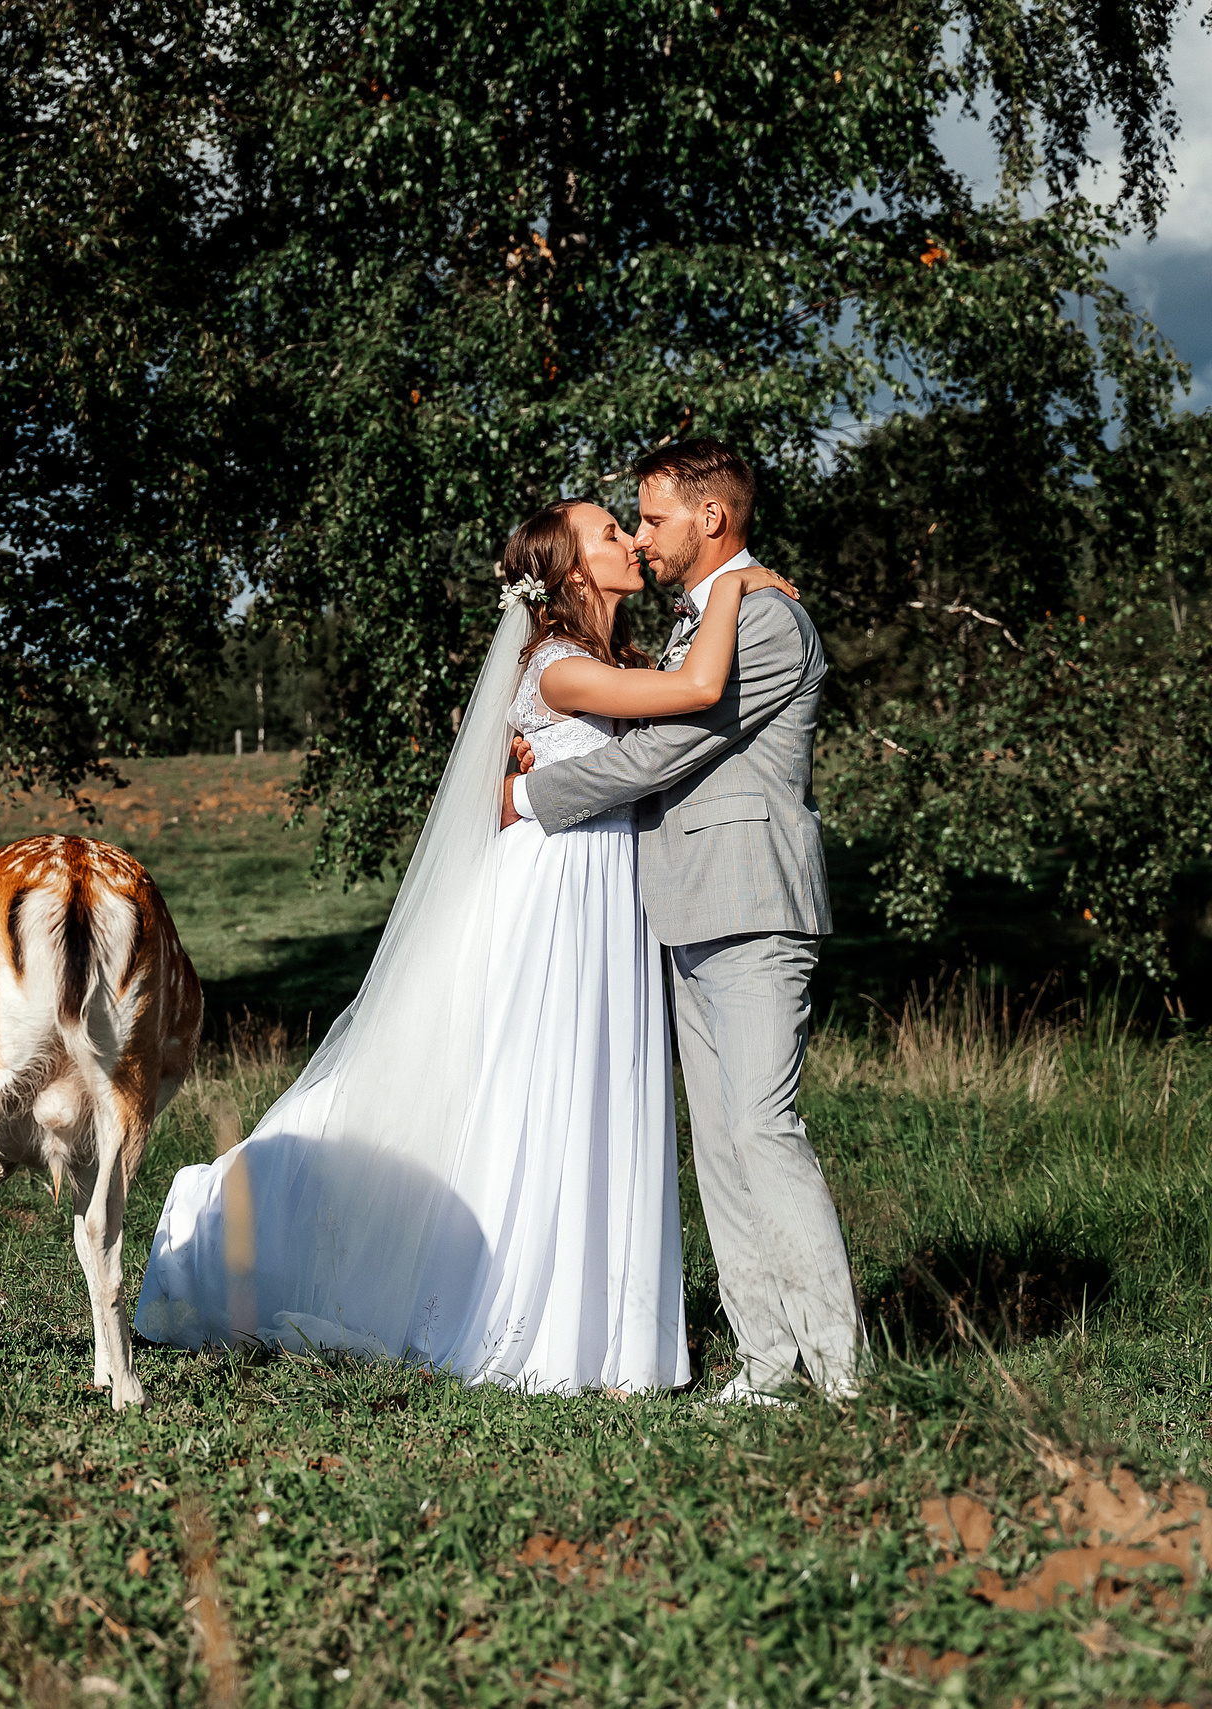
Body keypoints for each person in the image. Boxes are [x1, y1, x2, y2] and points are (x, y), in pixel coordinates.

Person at [133, 441, 828, 1398]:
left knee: (626, 1103)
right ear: (568, 570)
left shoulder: (661, 636)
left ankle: (661, 1335)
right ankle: (519, 1300)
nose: (633, 536)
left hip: (631, 895)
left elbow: (676, 725)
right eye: (611, 529)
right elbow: (679, 715)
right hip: (562, 890)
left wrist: (742, 592)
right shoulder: (567, 663)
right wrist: (739, 593)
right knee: (536, 1091)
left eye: (642, 519)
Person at [504, 440, 860, 1403]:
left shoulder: (769, 619)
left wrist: (536, 796)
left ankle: (840, 1369)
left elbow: (676, 746)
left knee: (761, 1129)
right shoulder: (696, 622)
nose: (643, 536)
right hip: (687, 906)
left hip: (751, 902)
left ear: (713, 518)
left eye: (653, 518)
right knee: (722, 1145)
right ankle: (766, 1363)